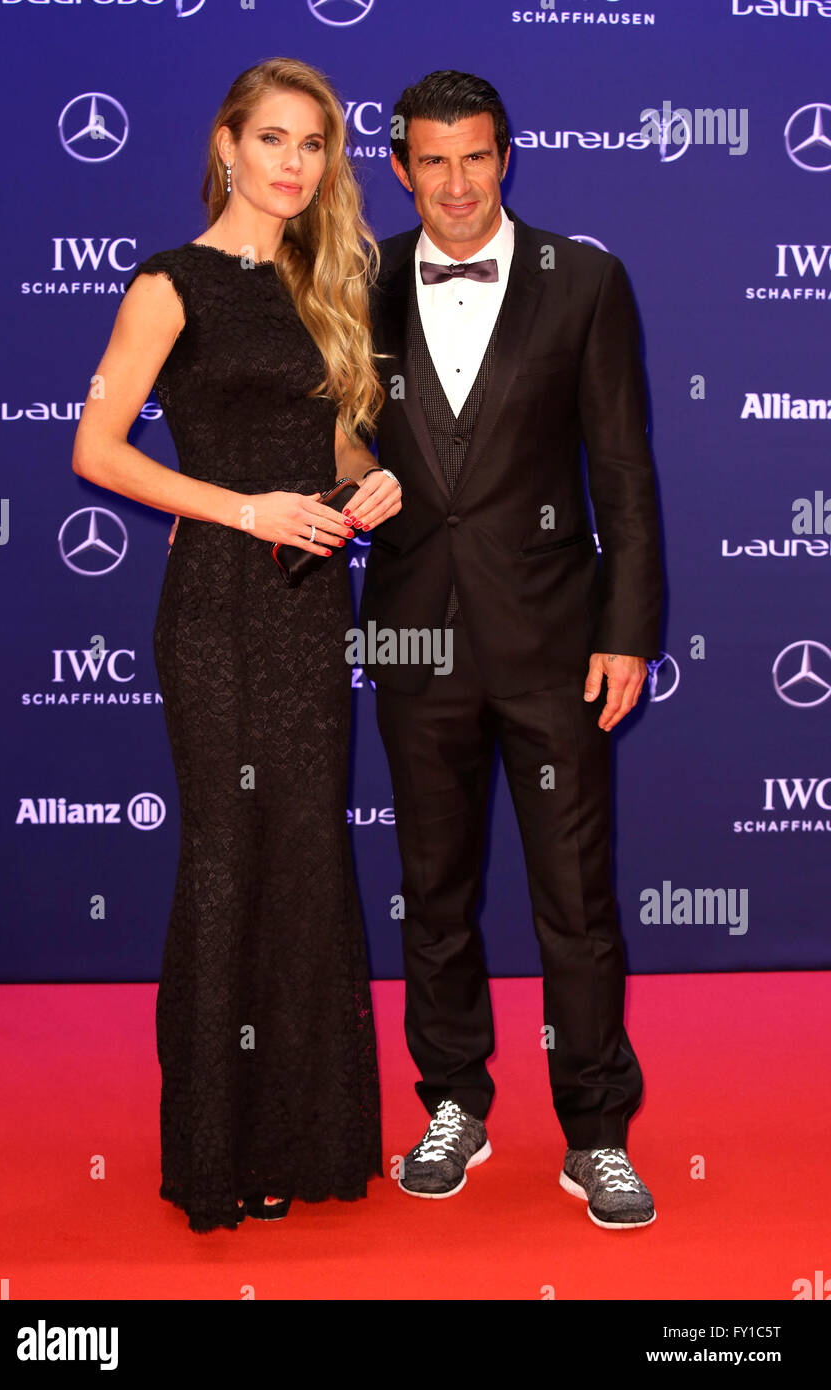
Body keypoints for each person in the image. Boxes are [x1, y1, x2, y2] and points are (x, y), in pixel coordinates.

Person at [71, 58, 401, 1233]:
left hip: (310, 603)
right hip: (216, 597)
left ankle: (308, 1141)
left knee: (307, 851)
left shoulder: (331, 283)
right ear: (226, 145)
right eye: (272, 138)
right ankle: (221, 1145)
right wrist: (243, 506)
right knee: (225, 856)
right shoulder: (171, 283)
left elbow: (340, 447)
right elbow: (97, 450)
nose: (293, 163)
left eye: (313, 144)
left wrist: (372, 484)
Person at [358, 70, 664, 1229]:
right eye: (432, 161)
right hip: (411, 633)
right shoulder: (356, 279)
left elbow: (623, 471)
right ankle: (453, 1102)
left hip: (552, 642)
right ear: (399, 166)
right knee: (433, 892)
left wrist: (628, 629)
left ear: (506, 156)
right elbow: (330, 440)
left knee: (575, 901)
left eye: (475, 157)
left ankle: (596, 1132)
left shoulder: (582, 280)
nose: (456, 184)